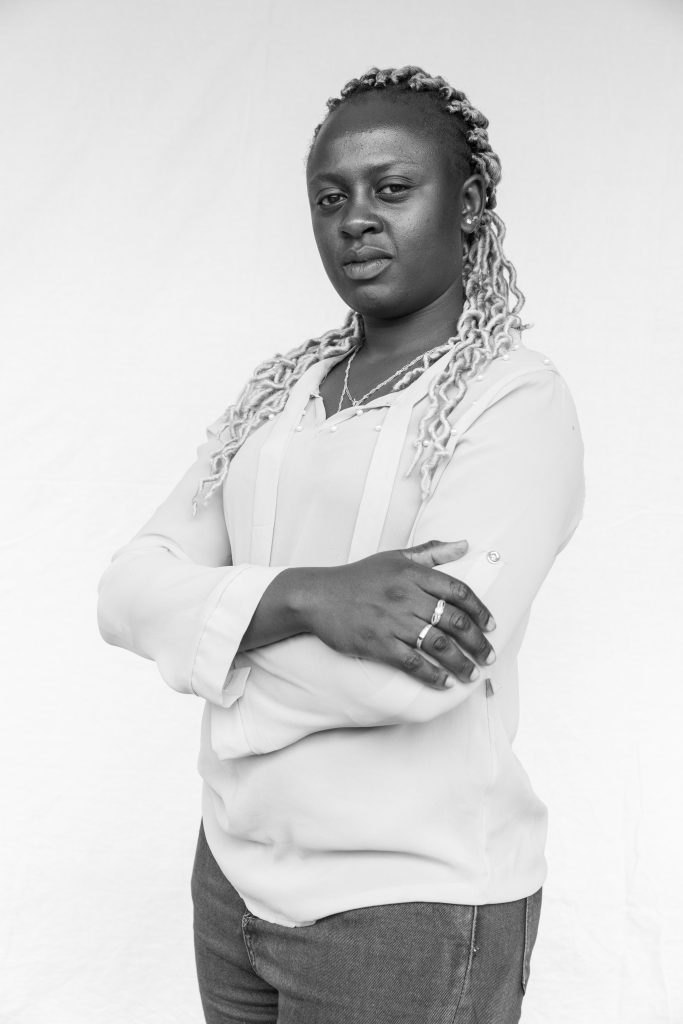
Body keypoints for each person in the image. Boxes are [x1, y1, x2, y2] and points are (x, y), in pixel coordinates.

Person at [97, 65, 584, 1024]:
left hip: (406, 902)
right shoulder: (277, 397)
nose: (355, 219)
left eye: (391, 189)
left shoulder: (513, 402)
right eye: (331, 198)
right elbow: (124, 591)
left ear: (467, 204)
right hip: (232, 876)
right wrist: (309, 597)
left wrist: (209, 647)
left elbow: (411, 680)